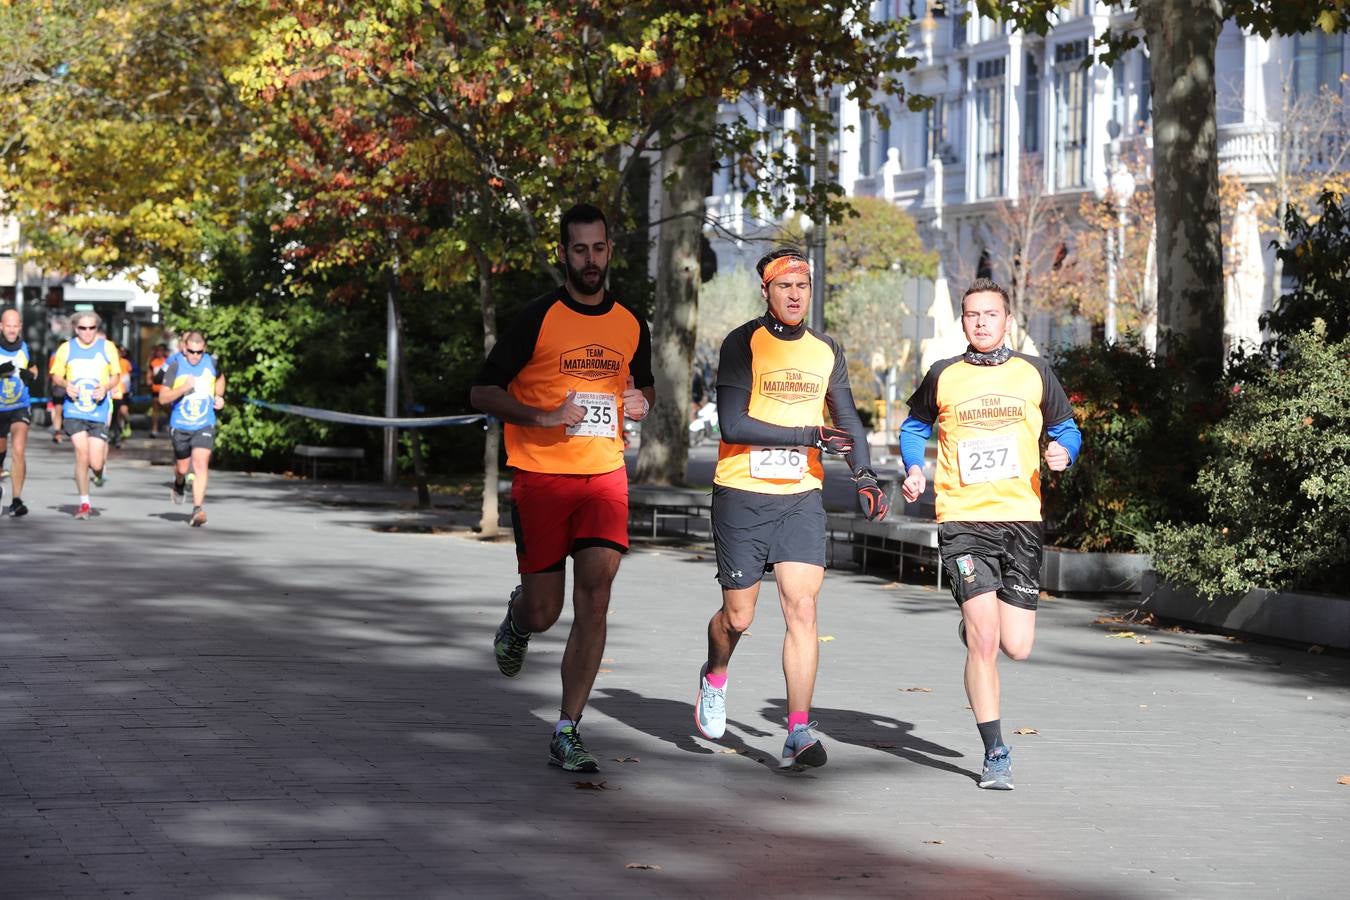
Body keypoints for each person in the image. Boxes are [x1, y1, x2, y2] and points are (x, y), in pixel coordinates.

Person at [469, 203, 655, 774]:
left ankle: (567, 727)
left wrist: (641, 402)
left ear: (609, 251)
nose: (591, 260)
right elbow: (481, 392)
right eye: (580, 250)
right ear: (563, 254)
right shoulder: (536, 319)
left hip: (603, 476)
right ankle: (519, 620)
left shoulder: (630, 322)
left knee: (596, 593)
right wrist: (543, 416)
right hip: (542, 478)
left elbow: (643, 388)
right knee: (546, 610)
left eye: (598, 248)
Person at [692, 248, 890, 770]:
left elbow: (846, 418)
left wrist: (866, 477)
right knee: (739, 616)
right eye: (785, 286)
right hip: (741, 493)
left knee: (802, 608)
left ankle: (798, 730)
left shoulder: (826, 349)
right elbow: (733, 424)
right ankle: (715, 676)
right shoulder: (742, 343)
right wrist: (809, 433)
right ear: (767, 291)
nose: (796, 294)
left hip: (801, 496)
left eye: (802, 285)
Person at [898, 277, 1081, 790]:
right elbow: (914, 427)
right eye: (973, 315)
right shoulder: (943, 376)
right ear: (963, 322)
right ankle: (995, 750)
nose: (981, 322)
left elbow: (1066, 428)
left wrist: (1065, 452)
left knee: (1016, 646)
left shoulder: (1034, 372)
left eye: (991, 314)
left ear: (1007, 320)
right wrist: (915, 468)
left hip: (1020, 518)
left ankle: (979, 628)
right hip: (962, 520)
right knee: (984, 639)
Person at [49, 313, 121, 519]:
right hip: (74, 409)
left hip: (98, 408)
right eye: (83, 328)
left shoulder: (107, 347)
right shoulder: (66, 348)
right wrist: (66, 385)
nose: (87, 332)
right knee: (82, 454)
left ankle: (99, 472)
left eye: (92, 328)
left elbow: (116, 376)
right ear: (75, 329)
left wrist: (106, 386)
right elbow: (56, 376)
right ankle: (84, 504)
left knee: (96, 463)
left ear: (96, 329)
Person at [157, 332, 225, 527]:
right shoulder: (175, 365)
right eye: (191, 351)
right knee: (183, 468)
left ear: (204, 349)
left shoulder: (211, 362)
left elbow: (220, 379)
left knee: (201, 463)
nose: (195, 356)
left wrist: (219, 396)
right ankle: (179, 482)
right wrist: (183, 388)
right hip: (180, 424)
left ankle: (197, 509)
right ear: (184, 348)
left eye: (199, 352)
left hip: (204, 422)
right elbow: (162, 398)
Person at [0, 308, 38, 517]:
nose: (12, 329)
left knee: (19, 451)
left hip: (19, 406)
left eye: (16, 325)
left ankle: (16, 500)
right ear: (1, 326)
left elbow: (34, 369)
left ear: (20, 327)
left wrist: (30, 375)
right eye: (8, 325)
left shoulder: (25, 347)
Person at [147, 343, 169, 436]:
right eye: (158, 350)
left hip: (166, 390)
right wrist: (148, 381)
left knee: (168, 408)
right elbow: (149, 374)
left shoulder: (168, 361)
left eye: (161, 350)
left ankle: (171, 425)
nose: (159, 352)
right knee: (155, 409)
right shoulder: (153, 362)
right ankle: (154, 429)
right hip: (156, 390)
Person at [47, 348, 65, 442]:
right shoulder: (55, 356)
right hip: (60, 386)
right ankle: (57, 432)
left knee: (59, 410)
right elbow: (52, 372)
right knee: (58, 409)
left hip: (74, 385)